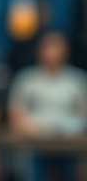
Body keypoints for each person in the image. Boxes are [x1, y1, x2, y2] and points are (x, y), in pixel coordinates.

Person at [7, 31, 87, 181]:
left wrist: (75, 128)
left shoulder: (78, 80)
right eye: (48, 47)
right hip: (34, 142)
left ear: (66, 50)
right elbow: (16, 114)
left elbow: (84, 113)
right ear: (39, 50)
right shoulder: (26, 79)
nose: (53, 52)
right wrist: (32, 128)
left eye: (57, 47)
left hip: (69, 143)